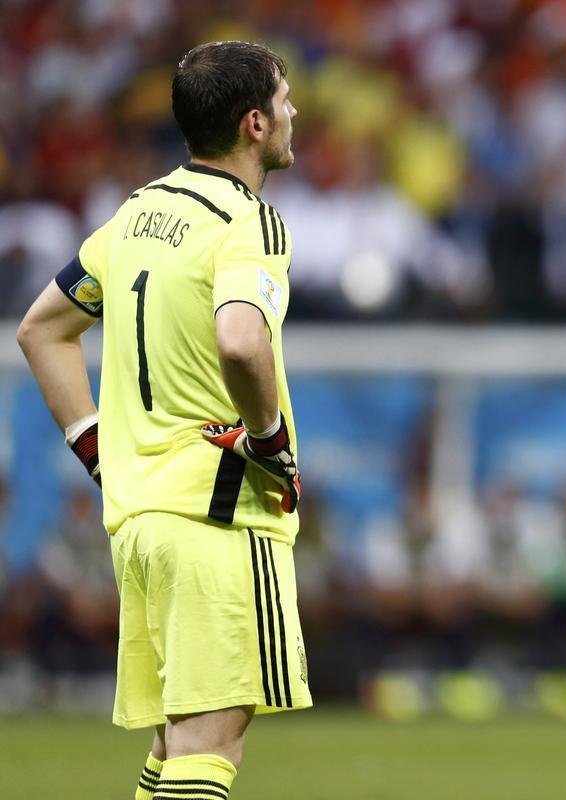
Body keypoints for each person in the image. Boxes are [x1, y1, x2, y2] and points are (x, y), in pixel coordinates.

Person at [16, 41, 307, 799]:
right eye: (283, 100)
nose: (293, 112)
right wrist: (271, 442)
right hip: (217, 514)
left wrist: (96, 450)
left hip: (138, 517)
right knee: (210, 744)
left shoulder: (136, 214)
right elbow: (241, 340)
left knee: (175, 743)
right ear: (254, 123)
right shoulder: (250, 223)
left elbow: (42, 330)